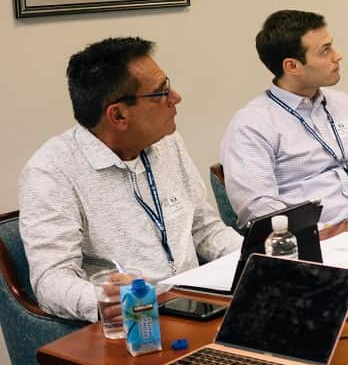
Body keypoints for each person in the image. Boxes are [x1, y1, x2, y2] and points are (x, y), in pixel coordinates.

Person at [19, 38, 241, 322]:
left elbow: (204, 229)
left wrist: (259, 259)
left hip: (198, 307)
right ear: (119, 115)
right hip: (132, 325)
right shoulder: (51, 172)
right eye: (161, 92)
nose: (176, 97)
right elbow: (51, 280)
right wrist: (102, 298)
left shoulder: (167, 143)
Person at [221, 10, 348, 227]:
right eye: (325, 51)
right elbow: (259, 208)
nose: (337, 56)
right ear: (292, 66)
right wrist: (324, 233)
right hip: (316, 243)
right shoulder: (252, 125)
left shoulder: (344, 105)